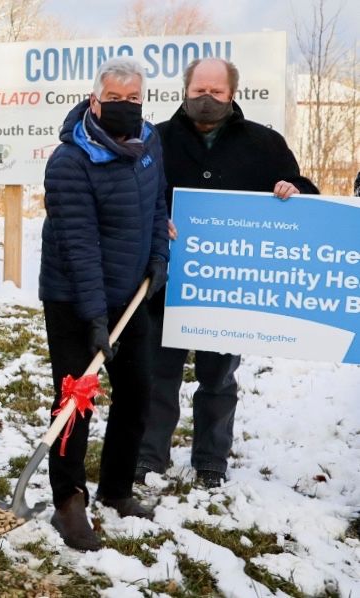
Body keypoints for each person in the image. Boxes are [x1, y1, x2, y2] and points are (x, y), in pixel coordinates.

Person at [136, 58, 319, 489]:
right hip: (167, 282)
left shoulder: (264, 142)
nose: (206, 99)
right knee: (159, 373)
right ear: (185, 89)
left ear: (232, 94)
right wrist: (151, 218)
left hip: (229, 289)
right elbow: (129, 194)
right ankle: (148, 456)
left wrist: (295, 190)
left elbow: (303, 191)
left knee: (218, 378)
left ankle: (211, 460)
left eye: (216, 92)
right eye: (199, 89)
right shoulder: (154, 140)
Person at [39, 56, 169, 551]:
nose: (124, 107)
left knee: (137, 389)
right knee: (76, 398)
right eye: (114, 99)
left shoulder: (149, 143)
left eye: (133, 99)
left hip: (130, 293)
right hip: (75, 297)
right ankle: (68, 499)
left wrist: (158, 257)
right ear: (94, 101)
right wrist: (95, 316)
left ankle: (116, 488)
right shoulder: (69, 161)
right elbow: (79, 244)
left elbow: (158, 204)